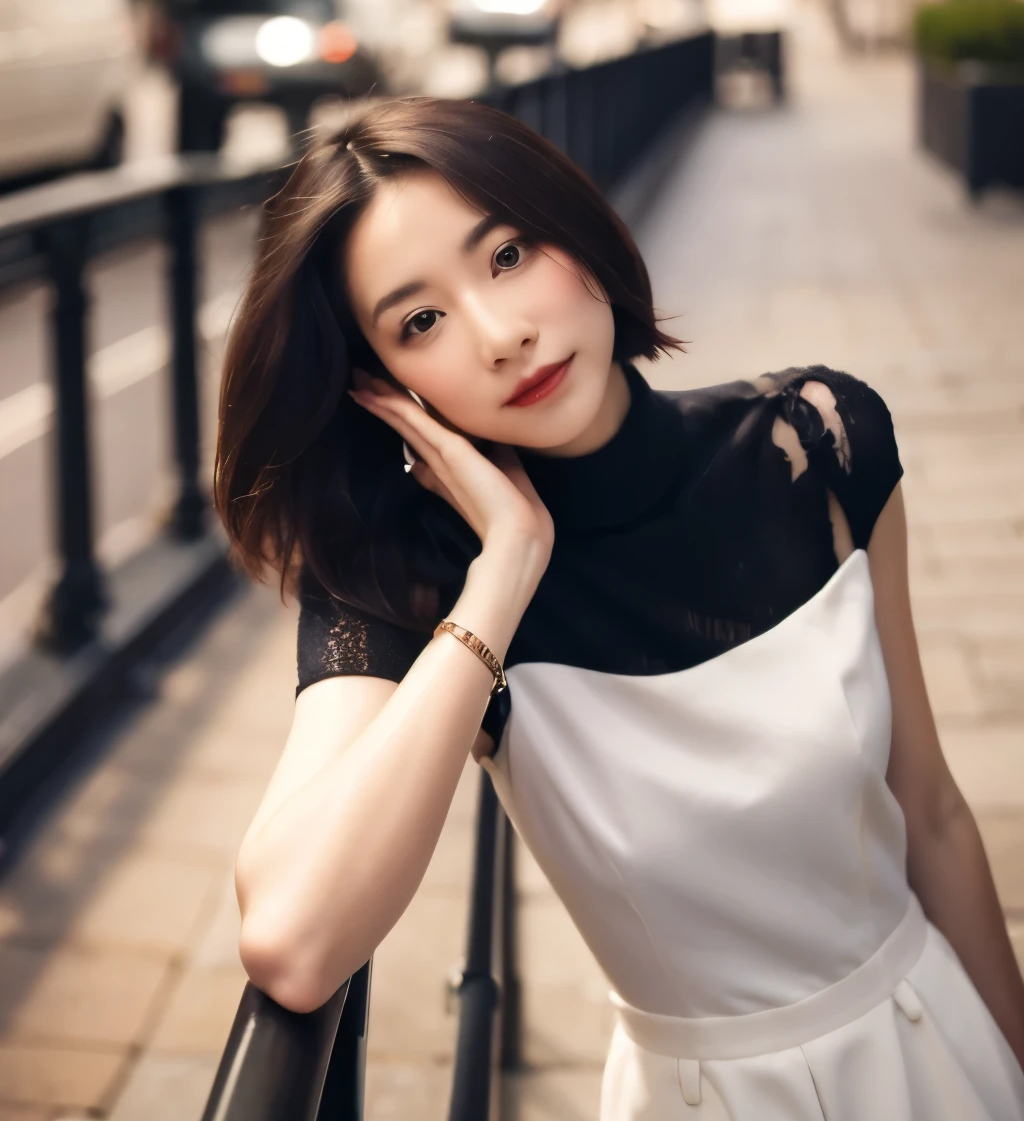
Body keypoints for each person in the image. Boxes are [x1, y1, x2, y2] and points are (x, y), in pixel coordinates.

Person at [215, 97, 1024, 1119]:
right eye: (421, 321)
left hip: (930, 1056)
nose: (502, 334)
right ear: (385, 386)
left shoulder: (816, 442)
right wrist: (504, 571)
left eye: (507, 255)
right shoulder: (411, 574)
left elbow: (937, 815)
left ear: (572, 226)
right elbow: (292, 939)